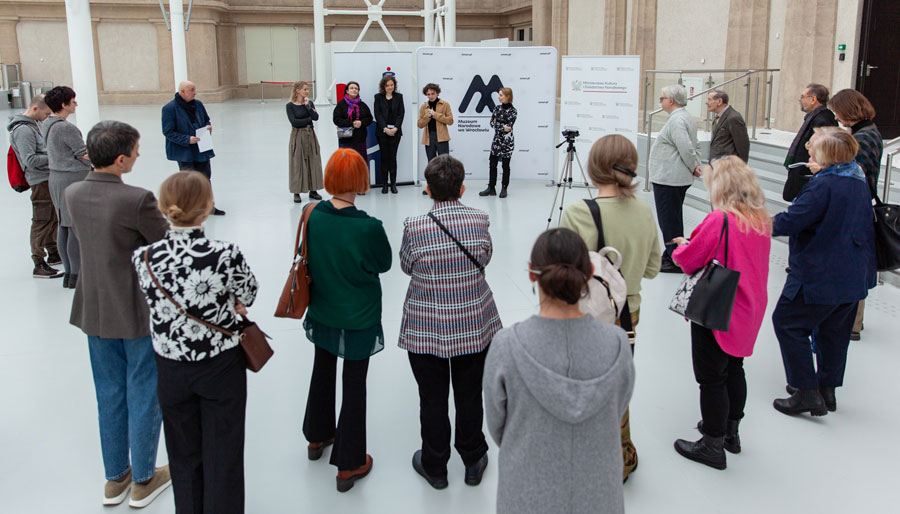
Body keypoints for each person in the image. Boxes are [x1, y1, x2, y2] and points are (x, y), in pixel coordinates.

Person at [483, 228, 634, 514]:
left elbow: (497, 425)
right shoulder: (617, 345)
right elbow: (617, 408)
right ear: (590, 272)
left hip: (527, 492)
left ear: (531, 274)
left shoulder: (506, 347)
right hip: (599, 492)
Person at [134, 171, 259, 513]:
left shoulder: (144, 258)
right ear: (206, 208)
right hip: (220, 364)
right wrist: (231, 301)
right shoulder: (224, 253)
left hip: (171, 366)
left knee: (182, 453)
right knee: (225, 451)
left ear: (162, 207)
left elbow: (154, 301)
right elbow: (249, 292)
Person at [65, 120, 172, 508]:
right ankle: (144, 477)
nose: (140, 155)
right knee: (143, 390)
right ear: (122, 159)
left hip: (93, 308)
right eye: (137, 150)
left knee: (108, 393)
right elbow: (165, 246)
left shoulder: (73, 193)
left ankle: (115, 478)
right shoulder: (137, 199)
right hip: (134, 310)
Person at [559, 133, 660, 481]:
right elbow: (652, 269)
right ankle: (619, 455)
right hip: (628, 314)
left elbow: (563, 276)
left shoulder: (576, 212)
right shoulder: (645, 211)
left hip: (586, 316)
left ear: (594, 166)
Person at [400, 154, 501, 490]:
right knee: (470, 393)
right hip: (474, 324)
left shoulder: (414, 228)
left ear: (427, 189)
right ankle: (473, 459)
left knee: (431, 397)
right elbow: (484, 256)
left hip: (426, 328)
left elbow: (406, 266)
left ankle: (435, 465)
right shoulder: (479, 220)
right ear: (462, 188)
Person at [669, 156, 772, 470]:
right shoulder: (761, 219)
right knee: (734, 369)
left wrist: (681, 246)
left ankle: (712, 444)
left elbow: (687, 260)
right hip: (749, 305)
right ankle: (731, 432)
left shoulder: (720, 220)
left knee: (711, 378)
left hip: (718, 306)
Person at [301, 148, 392, 492]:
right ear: (360, 180)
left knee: (322, 369)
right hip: (358, 315)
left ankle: (317, 436)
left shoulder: (313, 214)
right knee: (354, 384)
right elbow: (383, 264)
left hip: (322, 308)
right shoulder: (368, 227)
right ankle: (349, 463)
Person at [771, 127, 876, 417]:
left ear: (828, 155)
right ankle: (826, 392)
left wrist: (753, 224)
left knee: (788, 323)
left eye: (814, 149)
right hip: (852, 273)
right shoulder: (857, 178)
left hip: (821, 273)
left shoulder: (824, 185)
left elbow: (793, 220)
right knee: (833, 333)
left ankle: (806, 392)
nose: (809, 153)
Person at [827, 89, 883, 341]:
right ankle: (850, 320)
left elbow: (856, 169)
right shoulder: (862, 132)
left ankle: (852, 323)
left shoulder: (867, 135)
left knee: (853, 264)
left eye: (838, 112)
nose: (836, 117)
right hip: (856, 204)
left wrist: (827, 163)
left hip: (858, 207)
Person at [7, 94, 63, 278]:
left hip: (47, 178)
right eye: (46, 113)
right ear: (36, 109)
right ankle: (38, 262)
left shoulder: (34, 125)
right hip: (39, 181)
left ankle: (53, 252)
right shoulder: (23, 130)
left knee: (52, 217)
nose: (48, 116)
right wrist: (55, 156)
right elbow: (30, 160)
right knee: (41, 220)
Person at [648, 84, 702, 273]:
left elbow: (687, 147)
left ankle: (675, 259)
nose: (660, 102)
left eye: (662, 98)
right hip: (672, 178)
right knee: (672, 219)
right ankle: (672, 253)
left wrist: (694, 166)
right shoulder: (683, 117)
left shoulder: (677, 120)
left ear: (671, 101)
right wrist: (694, 164)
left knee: (669, 220)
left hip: (669, 179)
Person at [43, 85, 92, 288]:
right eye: (73, 101)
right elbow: (83, 153)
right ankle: (77, 274)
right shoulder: (66, 127)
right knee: (75, 227)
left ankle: (69, 273)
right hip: (72, 179)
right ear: (64, 104)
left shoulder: (47, 123)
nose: (76, 104)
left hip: (56, 177)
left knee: (64, 224)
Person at [162, 80, 224, 215]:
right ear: (182, 92)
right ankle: (190, 208)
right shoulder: (169, 109)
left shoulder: (198, 105)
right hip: (185, 152)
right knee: (188, 180)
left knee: (205, 178)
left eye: (194, 89)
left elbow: (206, 120)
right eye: (191, 90)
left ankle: (208, 206)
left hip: (202, 148)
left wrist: (208, 127)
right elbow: (168, 132)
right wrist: (187, 139)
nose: (195, 93)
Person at [782, 83, 837, 202]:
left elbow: (822, 151)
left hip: (807, 175)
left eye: (802, 97)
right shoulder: (813, 117)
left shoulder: (823, 119)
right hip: (802, 173)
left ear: (813, 99)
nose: (799, 100)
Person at [286, 80, 324, 204]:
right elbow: (294, 122)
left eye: (308, 89)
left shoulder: (309, 103)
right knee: (297, 162)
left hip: (310, 135)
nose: (307, 91)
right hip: (298, 136)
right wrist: (308, 119)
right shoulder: (290, 106)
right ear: (298, 90)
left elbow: (316, 118)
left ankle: (313, 190)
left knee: (313, 160)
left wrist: (308, 107)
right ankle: (296, 192)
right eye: (305, 89)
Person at [479, 88, 517, 198]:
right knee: (492, 164)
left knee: (505, 165)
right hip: (496, 141)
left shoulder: (513, 111)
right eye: (499, 95)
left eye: (501, 95)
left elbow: (508, 127)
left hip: (507, 142)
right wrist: (501, 126)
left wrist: (499, 125)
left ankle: (504, 188)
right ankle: (491, 187)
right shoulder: (496, 108)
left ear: (508, 96)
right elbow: (492, 123)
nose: (498, 97)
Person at [417, 83, 454, 194]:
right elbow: (419, 124)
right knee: (431, 164)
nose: (430, 96)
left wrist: (435, 114)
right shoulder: (424, 107)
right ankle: (432, 188)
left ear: (437, 93)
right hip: (429, 138)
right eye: (428, 94)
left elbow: (450, 120)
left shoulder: (445, 104)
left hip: (442, 137)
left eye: (432, 93)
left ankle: (446, 188)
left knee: (444, 164)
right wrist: (427, 117)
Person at [374, 74, 405, 194]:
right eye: (387, 85)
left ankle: (393, 184)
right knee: (384, 157)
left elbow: (401, 114)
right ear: (383, 86)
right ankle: (384, 185)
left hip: (396, 132)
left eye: (392, 85)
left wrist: (396, 127)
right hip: (382, 132)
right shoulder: (378, 97)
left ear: (394, 85)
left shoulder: (399, 97)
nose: (390, 87)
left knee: (393, 158)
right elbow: (378, 114)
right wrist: (385, 128)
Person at [332, 81, 374, 167]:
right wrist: (351, 123)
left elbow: (370, 118)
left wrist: (361, 123)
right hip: (346, 140)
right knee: (346, 165)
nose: (354, 90)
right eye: (351, 88)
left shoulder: (362, 105)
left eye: (356, 89)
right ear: (347, 91)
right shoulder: (341, 104)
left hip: (360, 140)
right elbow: (336, 119)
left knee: (360, 164)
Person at [706, 90, 750, 162]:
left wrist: (741, 167)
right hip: (717, 164)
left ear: (719, 101)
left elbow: (743, 145)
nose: (706, 102)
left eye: (709, 99)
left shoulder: (733, 117)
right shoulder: (718, 117)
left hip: (728, 166)